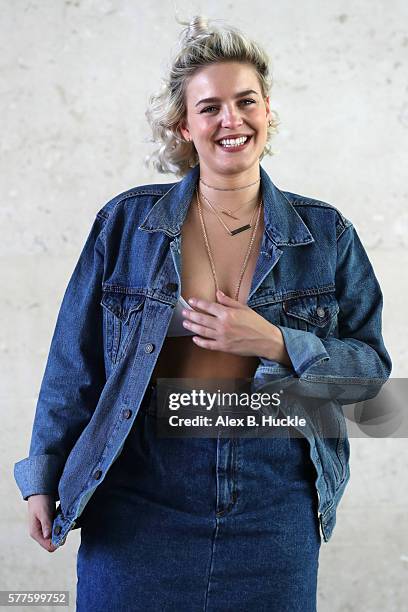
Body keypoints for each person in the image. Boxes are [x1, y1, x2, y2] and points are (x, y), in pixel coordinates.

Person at [14, 15, 392, 612]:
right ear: (182, 125)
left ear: (268, 110)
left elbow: (371, 382)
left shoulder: (327, 234)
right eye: (210, 107)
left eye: (245, 102)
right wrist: (43, 475)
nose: (230, 120)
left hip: (274, 505)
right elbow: (74, 362)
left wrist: (276, 343)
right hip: (139, 496)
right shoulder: (126, 225)